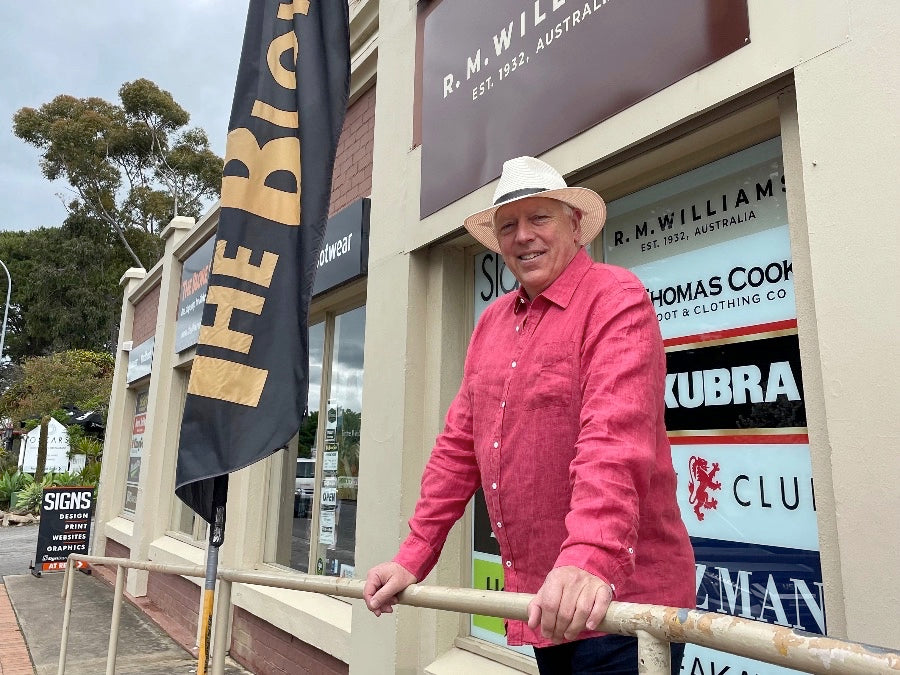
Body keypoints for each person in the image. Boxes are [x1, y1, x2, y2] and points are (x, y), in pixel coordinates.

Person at [364, 156, 695, 674]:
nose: (523, 237)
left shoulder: (615, 297)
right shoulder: (491, 323)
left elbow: (614, 436)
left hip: (620, 605)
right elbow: (457, 449)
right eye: (508, 227)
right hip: (548, 603)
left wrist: (588, 557)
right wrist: (412, 557)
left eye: (539, 218)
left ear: (576, 224)